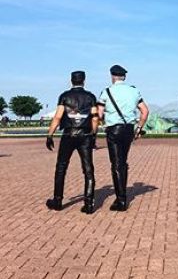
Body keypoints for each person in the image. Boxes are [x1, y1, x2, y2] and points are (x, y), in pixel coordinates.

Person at [97, 65, 149, 211]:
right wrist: (139, 128)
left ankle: (121, 200)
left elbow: (99, 114)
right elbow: (145, 111)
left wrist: (102, 124)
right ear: (124, 77)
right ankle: (122, 195)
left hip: (113, 129)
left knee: (116, 163)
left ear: (112, 76)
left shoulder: (106, 92)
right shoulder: (134, 91)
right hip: (128, 129)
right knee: (123, 161)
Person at [45, 70, 98, 214]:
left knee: (61, 167)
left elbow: (57, 117)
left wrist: (50, 135)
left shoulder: (64, 96)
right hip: (85, 134)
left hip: (68, 134)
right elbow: (94, 117)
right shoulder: (90, 97)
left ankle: (57, 200)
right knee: (88, 169)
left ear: (71, 81)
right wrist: (93, 134)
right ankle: (88, 203)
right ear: (84, 81)